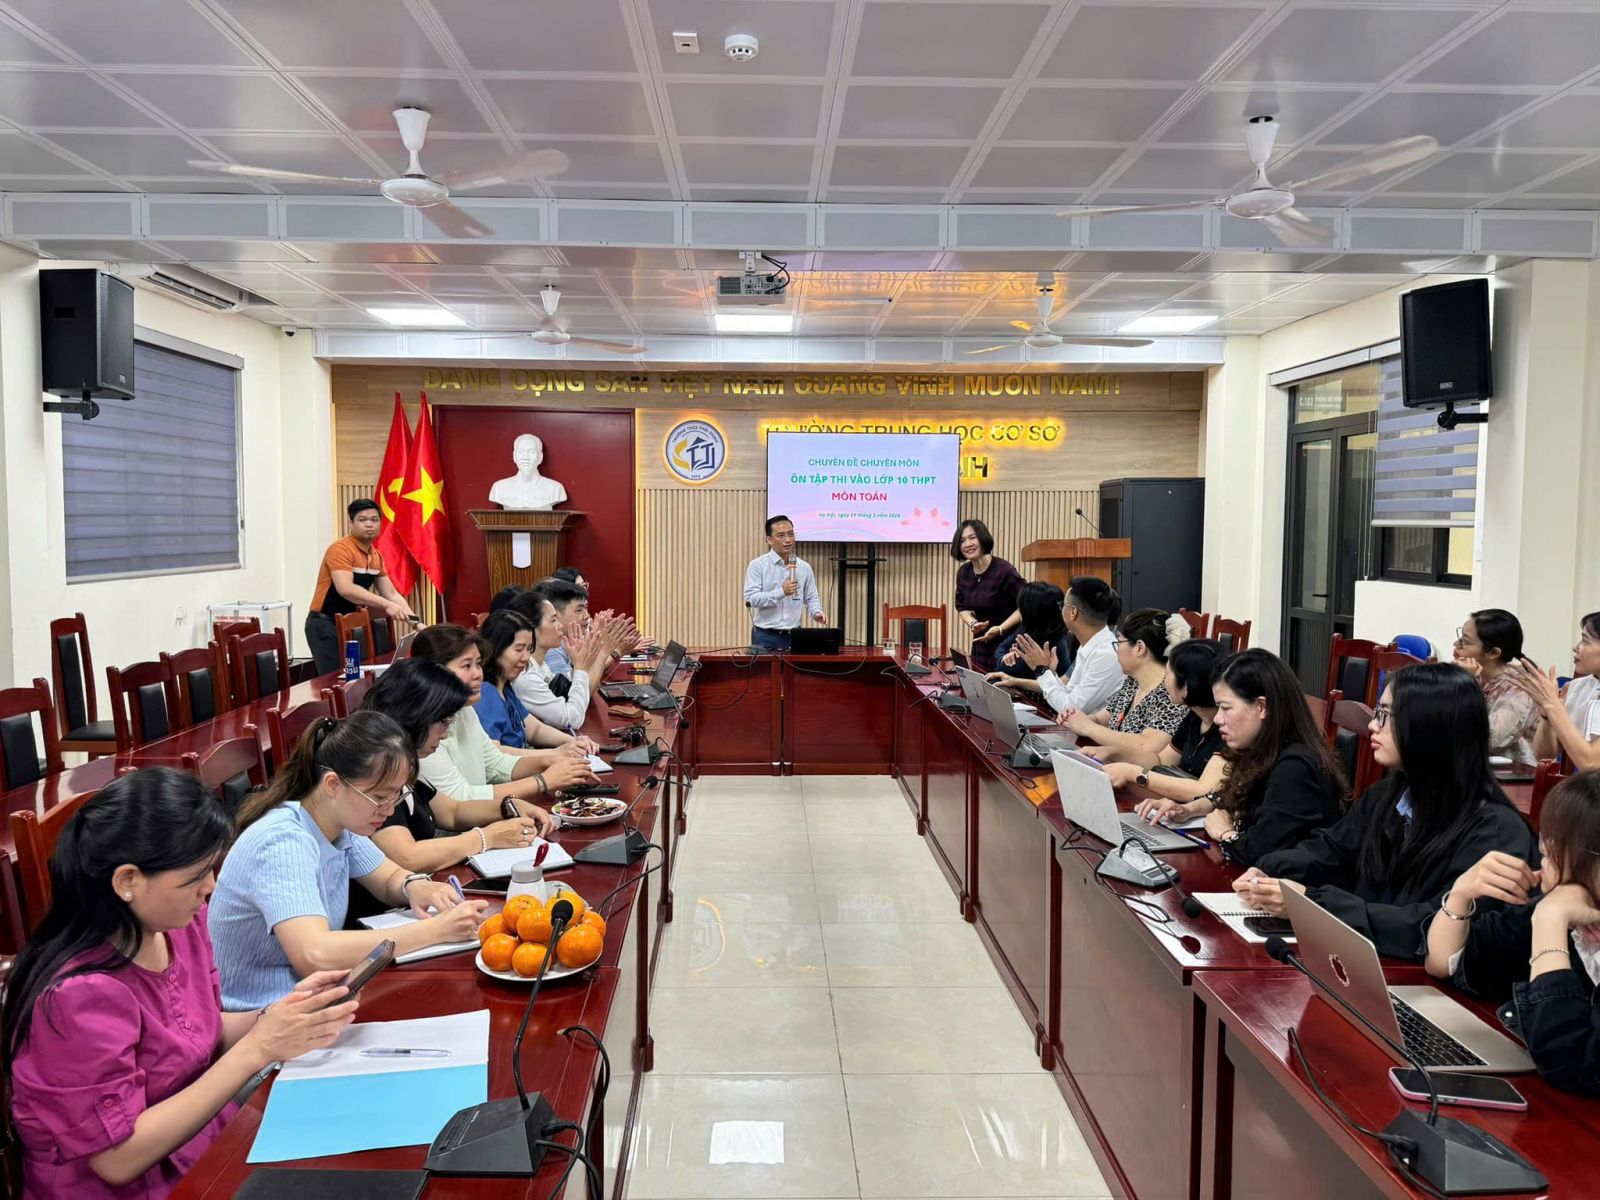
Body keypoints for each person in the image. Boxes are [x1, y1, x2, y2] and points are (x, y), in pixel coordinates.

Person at [1, 769, 359, 1199]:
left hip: (200, 1148)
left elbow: (197, 1030)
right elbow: (118, 1158)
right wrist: (258, 1047)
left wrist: (282, 1015)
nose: (210, 887)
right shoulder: (78, 997)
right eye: (196, 876)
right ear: (127, 881)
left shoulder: (179, 926)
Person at [1234, 663, 1536, 959]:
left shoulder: (1495, 831)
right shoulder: (1388, 795)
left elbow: (1427, 927)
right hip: (1368, 964)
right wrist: (1269, 871)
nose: (1372, 726)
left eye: (1385, 716)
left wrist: (1312, 904)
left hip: (1426, 980)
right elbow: (1332, 850)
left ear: (1430, 726)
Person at [209, 712, 486, 1010]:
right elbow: (314, 953)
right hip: (262, 1015)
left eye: (396, 795)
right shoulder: (282, 842)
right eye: (379, 797)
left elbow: (388, 878)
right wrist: (435, 931)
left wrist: (414, 885)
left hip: (316, 1000)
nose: (388, 809)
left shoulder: (339, 825)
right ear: (332, 785)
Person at [1424, 773, 1600, 1095]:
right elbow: (1446, 963)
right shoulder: (1565, 912)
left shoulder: (1554, 912)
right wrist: (1461, 894)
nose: (1543, 855)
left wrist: (1550, 921)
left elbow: (1568, 1063)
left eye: (1556, 846)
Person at [351, 660, 555, 921]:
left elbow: (452, 810)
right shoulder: (376, 773)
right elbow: (407, 856)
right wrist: (487, 838)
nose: (446, 734)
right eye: (443, 722)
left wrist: (509, 806)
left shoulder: (407, 761)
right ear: (417, 716)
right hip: (385, 916)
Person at [408, 624, 597, 806]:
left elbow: (494, 762)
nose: (477, 674)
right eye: (466, 666)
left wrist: (550, 761)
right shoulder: (422, 730)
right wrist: (543, 780)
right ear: (434, 672)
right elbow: (461, 798)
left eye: (478, 664)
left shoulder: (464, 709)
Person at [1203, 648, 1345, 866]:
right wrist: (1191, 809)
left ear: (1262, 707)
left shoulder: (1295, 767)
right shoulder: (1262, 749)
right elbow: (1236, 799)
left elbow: (1259, 852)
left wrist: (1225, 833)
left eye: (1226, 708)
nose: (1218, 719)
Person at [1055, 609, 1190, 763]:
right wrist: (1076, 719)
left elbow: (1147, 746)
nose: (1117, 651)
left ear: (1140, 648)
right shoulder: (1132, 682)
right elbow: (1101, 719)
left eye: (1119, 643)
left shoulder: (1171, 692)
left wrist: (1088, 728)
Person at [1113, 639, 1229, 816]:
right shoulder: (1194, 717)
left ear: (1186, 686)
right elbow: (1162, 761)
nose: (1164, 681)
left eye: (1167, 674)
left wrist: (1134, 773)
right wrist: (1114, 754)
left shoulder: (1228, 729)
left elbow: (1202, 790)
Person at [304, 499, 417, 675]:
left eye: (374, 520)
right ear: (351, 523)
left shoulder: (376, 556)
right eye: (362, 520)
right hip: (325, 624)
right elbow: (346, 589)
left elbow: (392, 594)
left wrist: (417, 624)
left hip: (352, 626)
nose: (369, 524)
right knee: (335, 680)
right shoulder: (340, 549)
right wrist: (387, 605)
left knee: (358, 678)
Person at [509, 590, 633, 731]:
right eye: (553, 620)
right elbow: (572, 720)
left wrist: (584, 659)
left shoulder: (540, 665)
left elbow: (570, 691)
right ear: (531, 628)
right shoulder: (525, 675)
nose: (560, 626)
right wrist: (583, 666)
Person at [1011, 576, 1124, 718]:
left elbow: (1069, 709)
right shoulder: (1091, 645)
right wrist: (1048, 673)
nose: (1061, 610)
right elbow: (1068, 692)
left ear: (1073, 612)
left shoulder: (1106, 655)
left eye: (1062, 605)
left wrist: (1041, 670)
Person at [1509, 611, 1600, 772]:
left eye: (1585, 640)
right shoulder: (1577, 688)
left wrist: (1552, 705)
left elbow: (1591, 762)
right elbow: (1544, 756)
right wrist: (1547, 718)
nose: (1576, 647)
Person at [1452, 608, 1539, 761]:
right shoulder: (1465, 672)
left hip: (1513, 770)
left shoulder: (1519, 687)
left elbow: (1491, 741)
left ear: (1493, 653)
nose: (1456, 644)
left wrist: (1467, 685)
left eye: (1465, 642)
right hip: (1470, 763)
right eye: (1460, 638)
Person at [743, 515, 827, 652]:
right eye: (781, 535)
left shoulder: (804, 567)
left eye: (791, 534)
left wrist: (816, 612)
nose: (788, 540)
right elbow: (751, 599)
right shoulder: (757, 565)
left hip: (794, 635)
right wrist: (781, 592)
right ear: (769, 539)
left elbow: (811, 597)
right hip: (765, 635)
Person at [951, 520, 1024, 673]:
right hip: (981, 642)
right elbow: (962, 607)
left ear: (983, 538)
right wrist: (973, 623)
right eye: (962, 540)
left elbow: (1025, 605)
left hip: (1008, 643)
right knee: (979, 684)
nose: (967, 544)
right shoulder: (964, 572)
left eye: (972, 538)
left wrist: (1000, 629)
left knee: (1001, 685)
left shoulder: (1004, 570)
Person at [987, 581, 1072, 693]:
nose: (1019, 610)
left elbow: (1007, 670)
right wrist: (1004, 657)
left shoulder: (1055, 641)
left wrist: (1009, 661)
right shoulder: (1026, 628)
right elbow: (1001, 648)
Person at [474, 611, 539, 749]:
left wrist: (573, 742)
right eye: (519, 649)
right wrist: (555, 754)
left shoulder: (505, 689)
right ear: (495, 648)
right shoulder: (485, 692)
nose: (526, 657)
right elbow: (495, 752)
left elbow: (534, 729)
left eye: (529, 649)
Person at [538, 577, 590, 681]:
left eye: (585, 608)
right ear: (555, 613)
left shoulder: (566, 640)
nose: (587, 616)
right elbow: (572, 688)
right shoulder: (551, 648)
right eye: (579, 610)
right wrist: (606, 653)